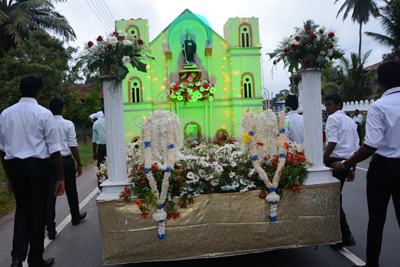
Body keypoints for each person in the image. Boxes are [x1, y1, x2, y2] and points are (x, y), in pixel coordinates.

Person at [331, 60, 400, 267]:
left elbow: (370, 146)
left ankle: (372, 264)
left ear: (379, 82)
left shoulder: (379, 106)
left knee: (377, 220)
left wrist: (344, 164)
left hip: (384, 168)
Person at [0, 75, 65, 267]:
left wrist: (9, 175)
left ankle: (17, 258)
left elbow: (2, 150)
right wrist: (60, 177)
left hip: (16, 168)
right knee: (37, 211)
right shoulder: (44, 114)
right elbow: (54, 149)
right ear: (39, 92)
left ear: (20, 90)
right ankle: (36, 259)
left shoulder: (5, 114)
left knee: (22, 210)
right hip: (38, 168)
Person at [46, 98, 87, 240]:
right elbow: (73, 145)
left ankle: (50, 228)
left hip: (50, 161)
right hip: (65, 161)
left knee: (51, 194)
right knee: (71, 189)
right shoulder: (68, 124)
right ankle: (75, 216)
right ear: (63, 108)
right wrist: (79, 163)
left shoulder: (46, 122)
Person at [323, 94, 359, 249]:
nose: (327, 108)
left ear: (338, 105)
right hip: (346, 162)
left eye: (329, 104)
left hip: (335, 162)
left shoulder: (333, 119)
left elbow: (332, 141)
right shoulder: (351, 121)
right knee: (335, 197)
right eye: (325, 105)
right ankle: (341, 235)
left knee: (333, 199)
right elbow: (356, 146)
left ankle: (345, 235)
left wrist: (321, 161)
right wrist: (352, 168)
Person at [93, 106, 106, 188]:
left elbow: (94, 139)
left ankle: (101, 186)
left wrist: (94, 152)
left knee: (101, 166)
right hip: (113, 147)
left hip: (101, 148)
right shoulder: (115, 121)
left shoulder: (97, 123)